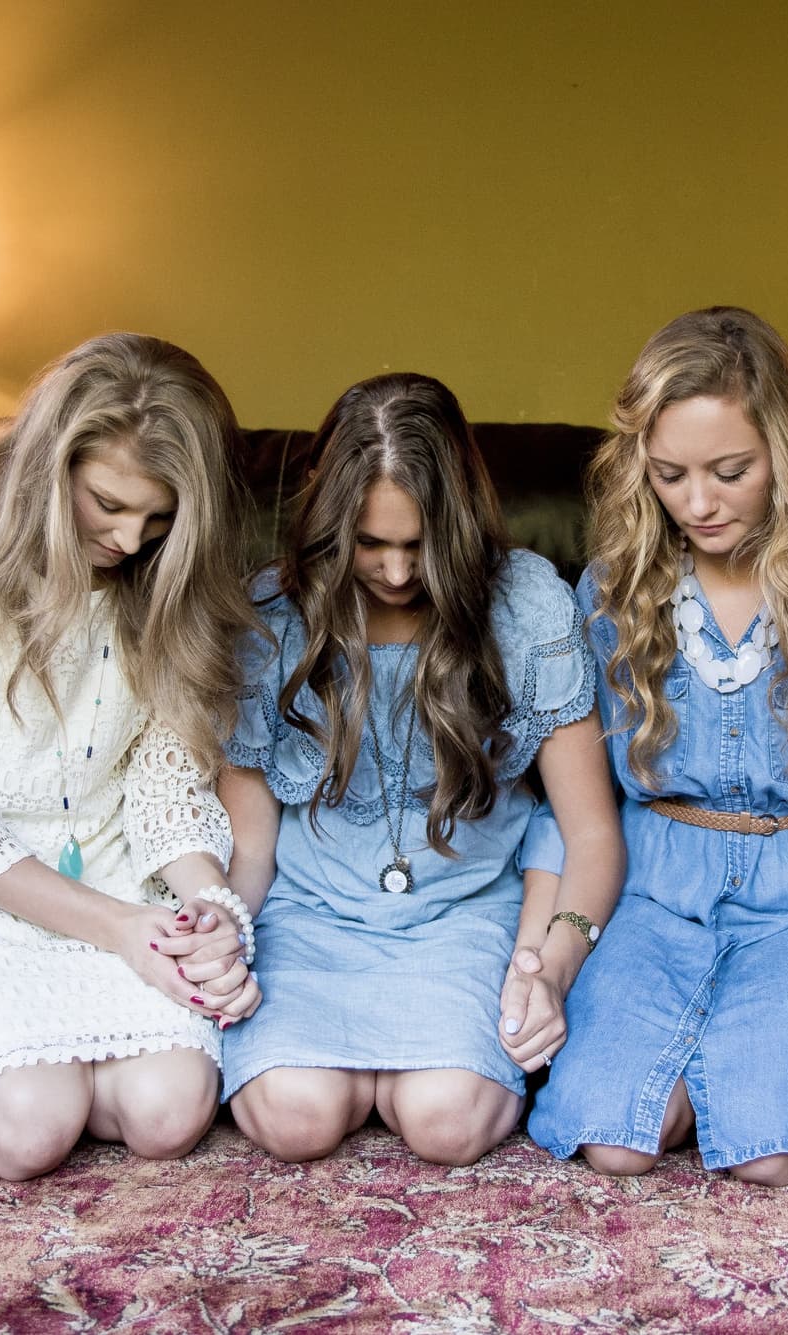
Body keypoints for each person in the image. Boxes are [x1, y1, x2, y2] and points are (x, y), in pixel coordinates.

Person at [527, 306, 788, 1187]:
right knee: (615, 1138)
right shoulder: (608, 587)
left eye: (730, 472)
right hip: (653, 898)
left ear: (786, 454)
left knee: (769, 1149)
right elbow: (576, 807)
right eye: (669, 474)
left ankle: (734, 1071)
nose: (698, 504)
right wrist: (551, 954)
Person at [0, 333, 263, 1181]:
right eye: (108, 502)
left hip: (116, 884)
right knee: (34, 1126)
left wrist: (209, 909)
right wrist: (120, 931)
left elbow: (166, 789)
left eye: (160, 518)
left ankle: (51, 1064)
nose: (131, 538)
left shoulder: (165, 584)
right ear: (50, 462)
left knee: (171, 1112)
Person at [217, 371, 625, 1167]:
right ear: (328, 519)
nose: (400, 573)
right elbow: (251, 848)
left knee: (446, 1122)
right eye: (371, 544)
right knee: (296, 1119)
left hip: (464, 920)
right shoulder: (269, 615)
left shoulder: (527, 605)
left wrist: (550, 967)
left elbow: (592, 834)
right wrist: (224, 939)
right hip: (312, 919)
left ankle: (400, 1070)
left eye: (421, 545)